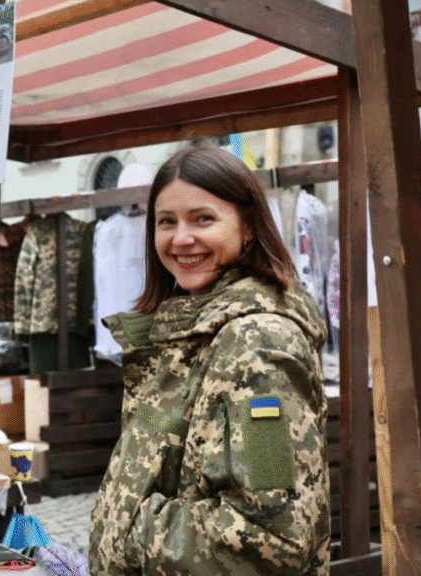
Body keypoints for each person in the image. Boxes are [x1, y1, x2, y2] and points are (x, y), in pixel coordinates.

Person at [89, 147, 329, 575]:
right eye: (167, 222)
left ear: (248, 226)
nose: (181, 238)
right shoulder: (189, 331)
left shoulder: (259, 345)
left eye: (203, 219)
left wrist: (126, 526)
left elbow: (270, 534)